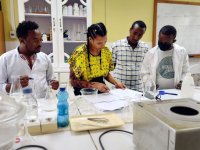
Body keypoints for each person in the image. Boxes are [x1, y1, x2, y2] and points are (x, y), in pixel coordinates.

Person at [0, 21, 59, 98]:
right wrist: (15, 85)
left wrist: (54, 84)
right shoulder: (5, 59)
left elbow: (50, 80)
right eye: (35, 40)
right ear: (22, 40)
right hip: (20, 107)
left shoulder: (44, 57)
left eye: (40, 40)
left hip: (44, 105)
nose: (40, 44)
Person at [68, 22, 125, 95]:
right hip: (83, 93)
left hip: (101, 91)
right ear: (90, 39)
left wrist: (116, 83)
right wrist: (93, 85)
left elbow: (106, 74)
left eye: (105, 41)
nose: (103, 45)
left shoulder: (105, 51)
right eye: (99, 43)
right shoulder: (79, 54)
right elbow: (73, 81)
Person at [141, 25, 190, 90]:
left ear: (174, 39)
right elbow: (144, 73)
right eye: (160, 41)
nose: (163, 43)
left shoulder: (181, 52)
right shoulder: (151, 53)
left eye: (166, 42)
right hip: (157, 92)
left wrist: (182, 82)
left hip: (176, 92)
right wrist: (150, 84)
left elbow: (186, 72)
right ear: (158, 36)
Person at [111, 20, 148, 92]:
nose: (136, 37)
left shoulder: (145, 47)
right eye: (135, 33)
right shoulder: (116, 45)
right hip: (120, 88)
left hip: (138, 89)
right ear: (130, 30)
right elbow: (112, 65)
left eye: (140, 35)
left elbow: (145, 67)